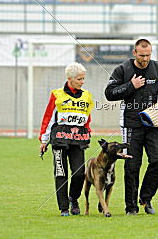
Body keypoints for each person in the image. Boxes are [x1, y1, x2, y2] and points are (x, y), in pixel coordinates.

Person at [105, 39, 158, 215]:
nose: (145, 59)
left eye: (148, 55)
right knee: (132, 166)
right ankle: (131, 207)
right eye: (142, 55)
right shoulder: (123, 69)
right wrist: (131, 86)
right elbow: (109, 93)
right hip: (131, 125)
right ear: (134, 53)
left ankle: (145, 198)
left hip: (153, 123)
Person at [39, 63, 93, 217]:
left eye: (83, 79)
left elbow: (87, 117)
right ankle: (64, 208)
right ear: (70, 79)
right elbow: (48, 119)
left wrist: (87, 130)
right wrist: (44, 140)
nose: (82, 82)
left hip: (78, 138)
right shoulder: (57, 95)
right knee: (61, 173)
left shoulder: (87, 95)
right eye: (79, 79)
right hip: (59, 138)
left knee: (79, 173)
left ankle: (73, 199)